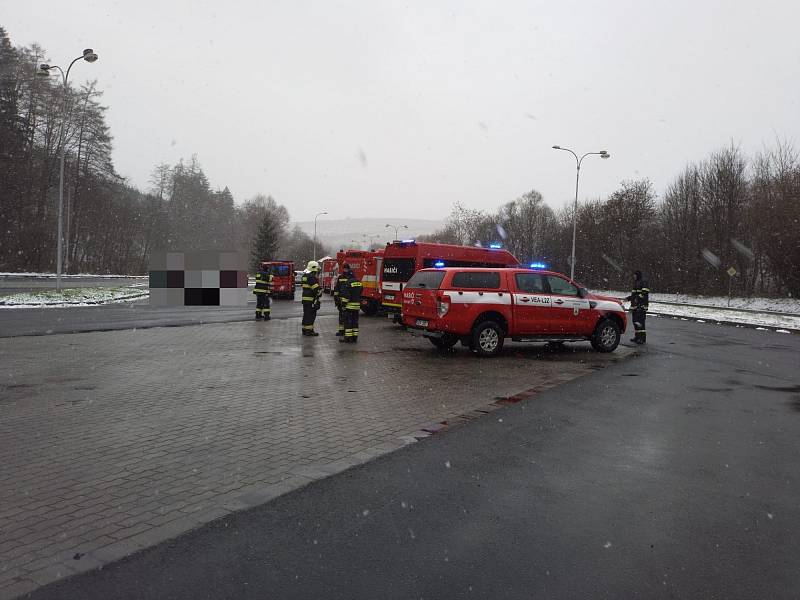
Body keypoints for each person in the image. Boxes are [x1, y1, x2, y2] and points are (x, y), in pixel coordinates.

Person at [625, 270, 650, 344]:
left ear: (638, 275)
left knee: (640, 322)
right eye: (634, 275)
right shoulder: (636, 283)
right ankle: (637, 337)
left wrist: (638, 298)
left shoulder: (643, 282)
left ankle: (642, 338)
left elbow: (645, 292)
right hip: (635, 306)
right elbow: (634, 295)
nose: (634, 276)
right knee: (635, 322)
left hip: (641, 305)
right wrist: (629, 298)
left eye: (635, 275)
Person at [340, 266, 363, 343]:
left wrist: (343, 305)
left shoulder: (347, 283)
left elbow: (346, 296)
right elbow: (360, 293)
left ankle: (348, 338)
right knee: (355, 322)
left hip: (349, 306)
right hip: (357, 306)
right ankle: (354, 337)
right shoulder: (359, 282)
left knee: (348, 322)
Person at [300, 260, 322, 336]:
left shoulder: (304, 276)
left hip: (305, 299)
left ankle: (304, 329)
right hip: (311, 300)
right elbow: (316, 289)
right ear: (314, 268)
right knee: (311, 315)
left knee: (306, 314)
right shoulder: (311, 277)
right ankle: (309, 331)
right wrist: (320, 291)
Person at [333, 265, 350, 337]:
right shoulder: (340, 277)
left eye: (346, 269)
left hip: (348, 300)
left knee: (347, 316)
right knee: (341, 316)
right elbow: (337, 288)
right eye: (344, 269)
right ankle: (341, 331)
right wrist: (336, 298)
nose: (345, 270)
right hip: (340, 300)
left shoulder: (351, 277)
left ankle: (347, 330)